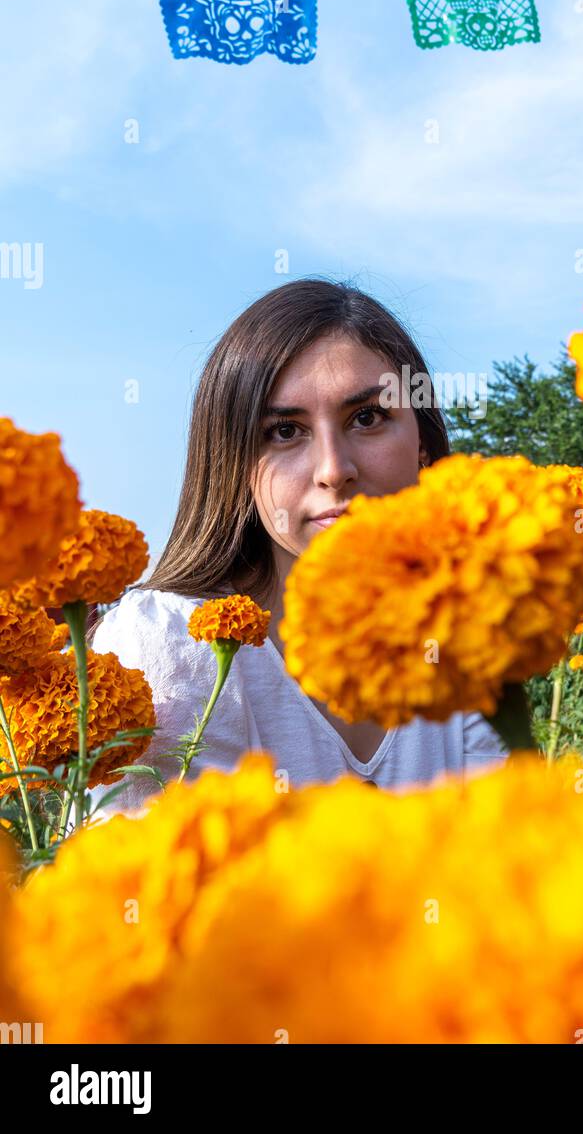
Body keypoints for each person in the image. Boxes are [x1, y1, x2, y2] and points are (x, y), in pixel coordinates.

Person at [88, 278, 509, 818]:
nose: (335, 470)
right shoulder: (169, 646)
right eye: (285, 431)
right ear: (235, 465)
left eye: (367, 418)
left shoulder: (467, 647)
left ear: (422, 443)